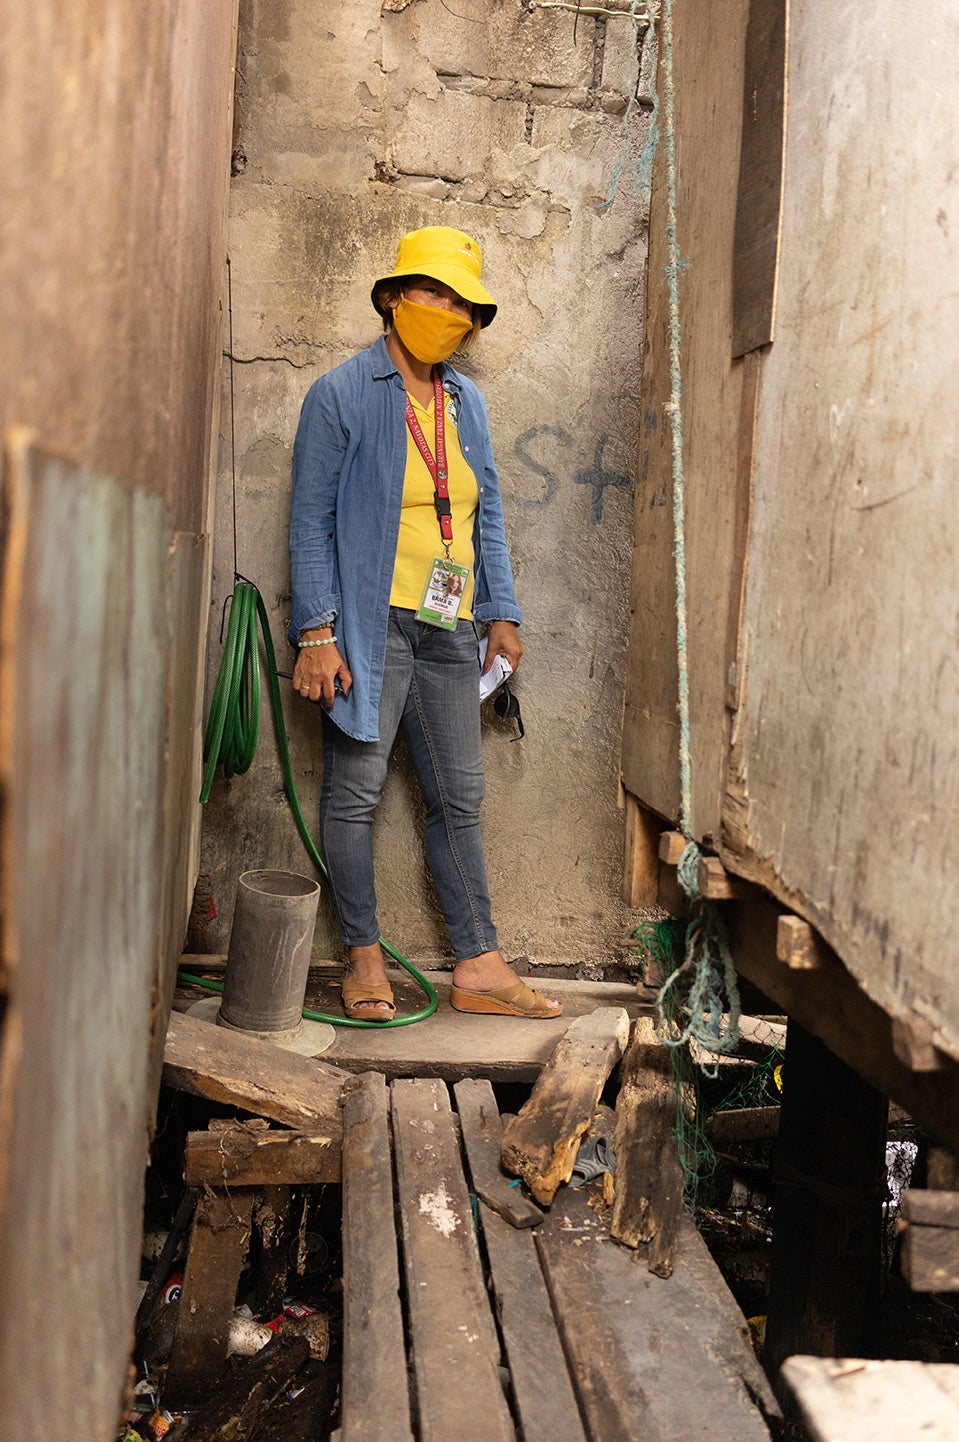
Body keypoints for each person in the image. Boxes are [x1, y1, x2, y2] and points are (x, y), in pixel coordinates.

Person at [288, 226, 562, 1023]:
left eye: (462, 303)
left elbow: (488, 510)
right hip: (371, 629)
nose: (447, 312)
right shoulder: (341, 394)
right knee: (356, 794)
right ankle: (363, 956)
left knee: (458, 797)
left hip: (448, 630)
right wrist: (316, 633)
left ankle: (477, 964)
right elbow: (309, 522)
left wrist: (500, 609)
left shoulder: (464, 400)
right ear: (392, 298)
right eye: (433, 293)